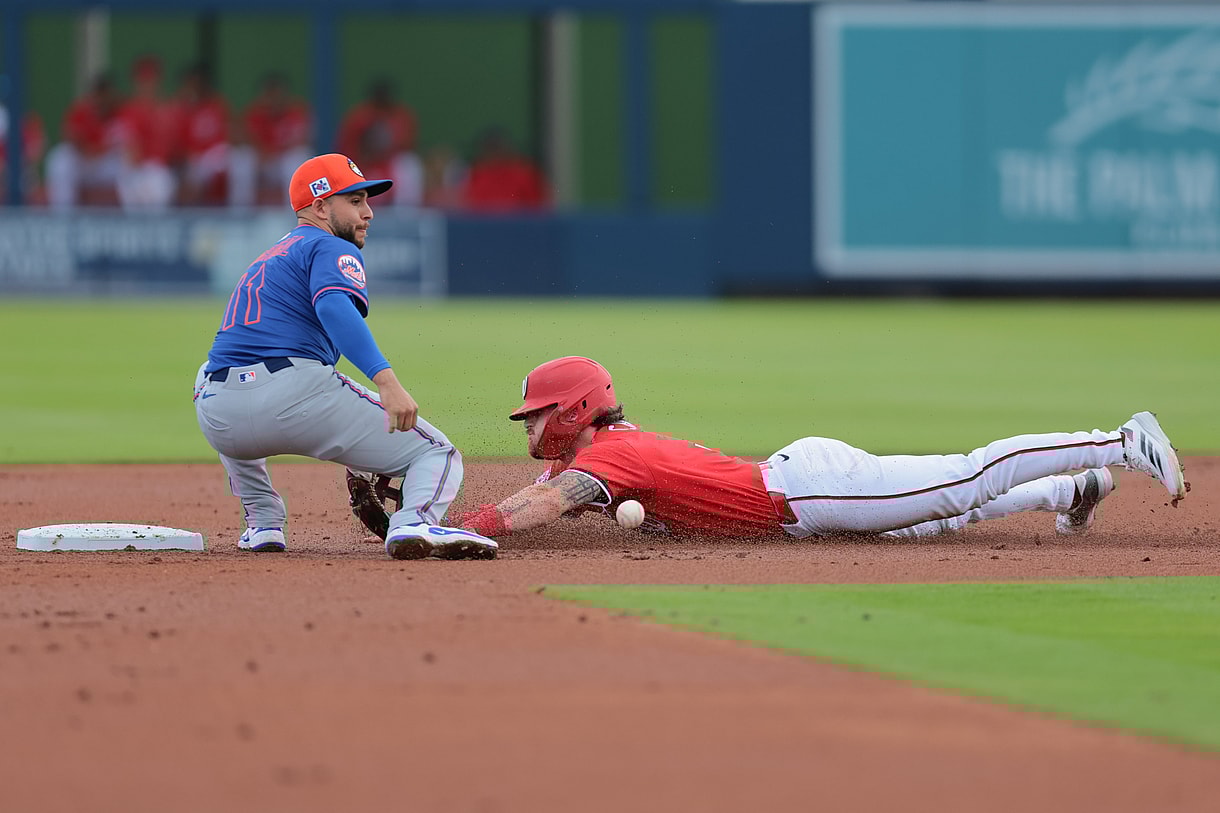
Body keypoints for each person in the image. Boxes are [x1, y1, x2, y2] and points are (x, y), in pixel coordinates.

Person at [353, 356, 1185, 543]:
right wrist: (418, 513)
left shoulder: (608, 463)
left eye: (536, 414)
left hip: (804, 493)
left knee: (957, 479)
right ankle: (1069, 489)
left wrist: (445, 528)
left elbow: (537, 507)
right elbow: (545, 487)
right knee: (929, 520)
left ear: (573, 410)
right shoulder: (598, 452)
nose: (529, 427)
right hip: (798, 493)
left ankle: (1120, 436)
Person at [194, 153, 498, 560]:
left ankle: (264, 523)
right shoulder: (329, 245)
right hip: (295, 395)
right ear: (320, 207)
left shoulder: (268, 257)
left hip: (219, 415)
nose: (368, 213)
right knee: (436, 453)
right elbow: (334, 308)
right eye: (354, 201)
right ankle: (415, 522)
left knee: (208, 376)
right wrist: (386, 382)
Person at [229, 72, 313, 207]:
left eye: (277, 94)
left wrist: (277, 153)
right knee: (241, 159)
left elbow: (303, 139)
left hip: (284, 159)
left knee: (297, 159)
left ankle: (294, 211)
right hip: (263, 161)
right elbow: (242, 138)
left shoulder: (296, 111)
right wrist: (262, 153)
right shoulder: (255, 112)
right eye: (270, 94)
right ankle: (241, 211)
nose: (274, 99)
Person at [336, 77, 422, 207]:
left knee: (408, 163)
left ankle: (406, 216)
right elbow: (347, 148)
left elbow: (408, 145)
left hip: (389, 163)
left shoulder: (400, 115)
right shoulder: (360, 116)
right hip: (364, 164)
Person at [45, 74, 125, 209]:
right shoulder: (82, 110)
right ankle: (62, 215)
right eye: (99, 93)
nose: (102, 98)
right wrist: (88, 150)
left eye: (105, 93)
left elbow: (128, 148)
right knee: (59, 158)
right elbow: (71, 139)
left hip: (106, 165)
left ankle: (132, 219)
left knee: (127, 164)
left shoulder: (121, 112)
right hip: (84, 163)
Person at [114, 55, 177, 210]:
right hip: (135, 170)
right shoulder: (129, 110)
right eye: (143, 81)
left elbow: (177, 149)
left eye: (150, 81)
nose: (146, 85)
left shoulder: (168, 110)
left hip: (160, 170)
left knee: (157, 181)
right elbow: (130, 152)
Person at [172, 63, 230, 206]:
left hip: (216, 155)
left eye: (198, 83)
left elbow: (229, 135)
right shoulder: (180, 108)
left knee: (239, 160)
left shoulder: (217, 104)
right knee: (192, 172)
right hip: (192, 159)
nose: (195, 87)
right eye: (191, 83)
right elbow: (177, 144)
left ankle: (240, 210)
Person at [460, 127, 549, 212]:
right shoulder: (476, 176)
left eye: (497, 148)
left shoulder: (524, 175)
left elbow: (540, 209)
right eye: (491, 149)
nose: (495, 154)